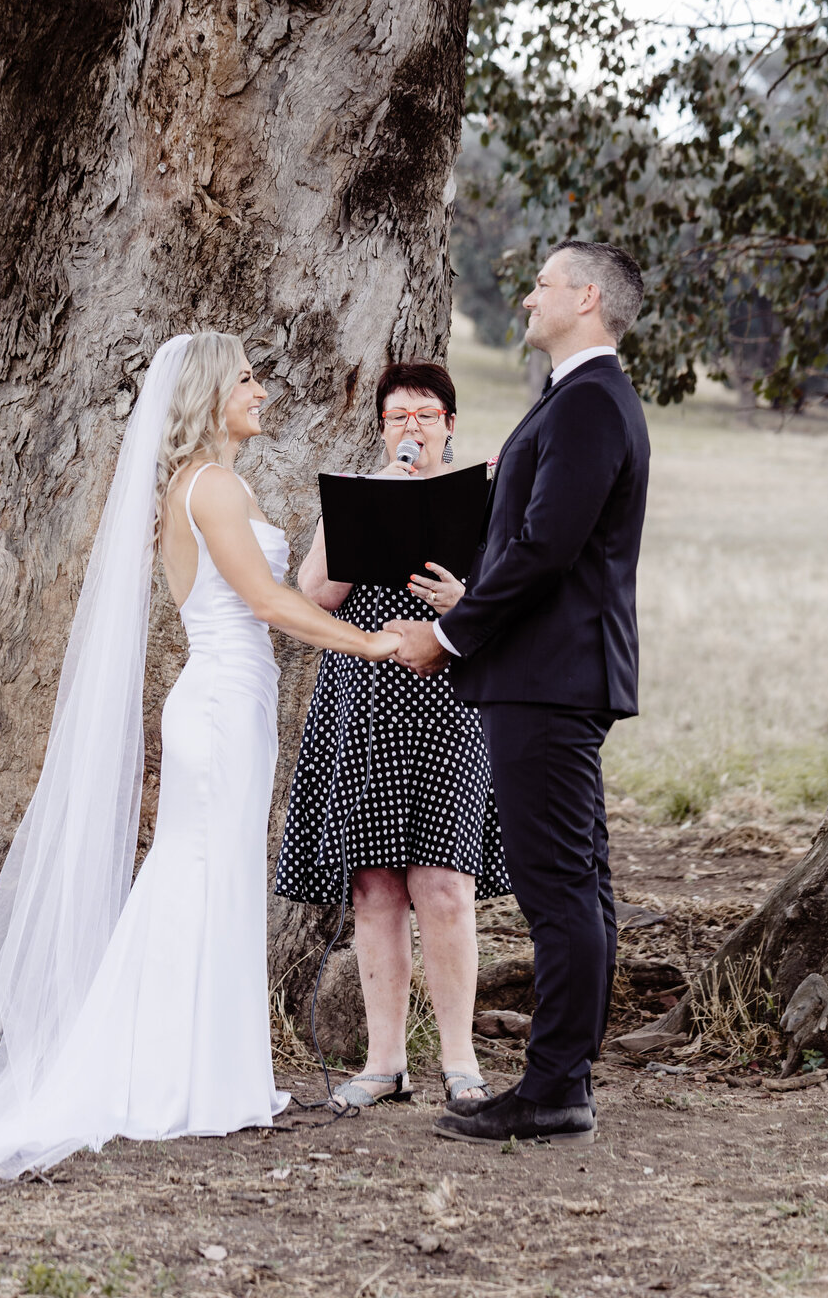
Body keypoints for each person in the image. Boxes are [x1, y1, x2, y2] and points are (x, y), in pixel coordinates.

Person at [0, 333, 400, 1192]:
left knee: (213, 875)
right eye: (247, 379)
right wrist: (373, 644)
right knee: (194, 875)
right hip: (220, 700)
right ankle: (166, 1077)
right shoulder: (210, 488)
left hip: (233, 701)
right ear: (209, 394)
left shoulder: (209, 485)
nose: (262, 391)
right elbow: (267, 601)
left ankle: (208, 1073)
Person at [389, 242, 649, 1149]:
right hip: (553, 669)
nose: (528, 296)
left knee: (558, 887)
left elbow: (547, 549)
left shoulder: (587, 403)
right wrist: (475, 596)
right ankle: (562, 1079)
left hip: (549, 680)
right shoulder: (575, 401)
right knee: (578, 884)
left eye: (542, 283)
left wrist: (450, 634)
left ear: (585, 297)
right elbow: (548, 549)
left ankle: (553, 1089)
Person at [275, 361, 510, 1110]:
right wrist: (374, 507)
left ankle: (461, 1061)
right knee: (375, 887)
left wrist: (465, 598)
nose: (412, 428)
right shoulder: (356, 492)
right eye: (398, 417)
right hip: (365, 701)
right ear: (382, 428)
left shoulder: (485, 494)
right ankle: (384, 1065)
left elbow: (512, 595)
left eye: (425, 414)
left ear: (450, 423)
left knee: (443, 884)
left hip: (451, 701)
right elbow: (314, 597)